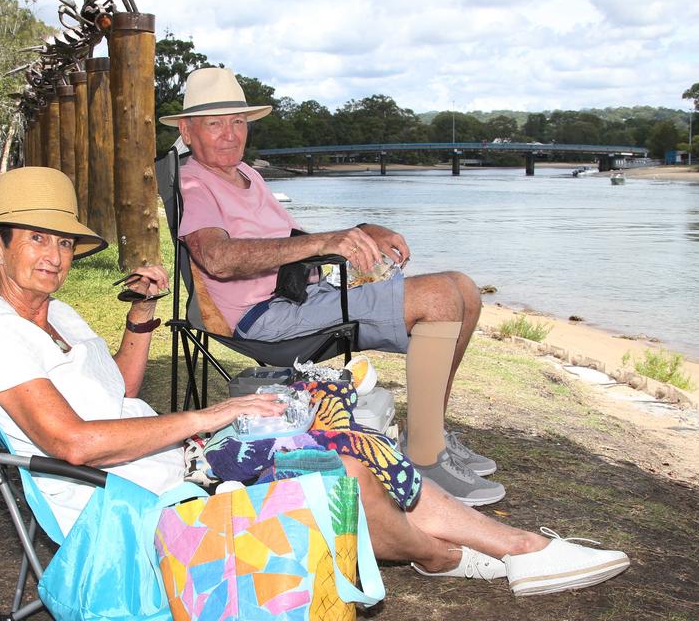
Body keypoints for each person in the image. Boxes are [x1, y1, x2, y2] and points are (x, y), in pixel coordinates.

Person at [0, 167, 629, 596]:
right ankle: (455, 553)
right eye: (35, 240)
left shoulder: (61, 314)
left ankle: (510, 546)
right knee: (341, 474)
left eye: (64, 242)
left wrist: (140, 319)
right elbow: (73, 442)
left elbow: (117, 394)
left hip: (162, 463)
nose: (54, 256)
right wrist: (208, 417)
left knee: (335, 429)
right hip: (129, 502)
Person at [165, 67, 498, 505]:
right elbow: (216, 258)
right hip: (266, 317)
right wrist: (326, 242)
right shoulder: (196, 183)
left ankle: (428, 431)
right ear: (187, 131)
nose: (230, 134)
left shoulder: (246, 174)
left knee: (464, 289)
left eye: (239, 122)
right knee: (438, 297)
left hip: (305, 296)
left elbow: (291, 243)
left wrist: (360, 229)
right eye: (215, 123)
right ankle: (423, 459)